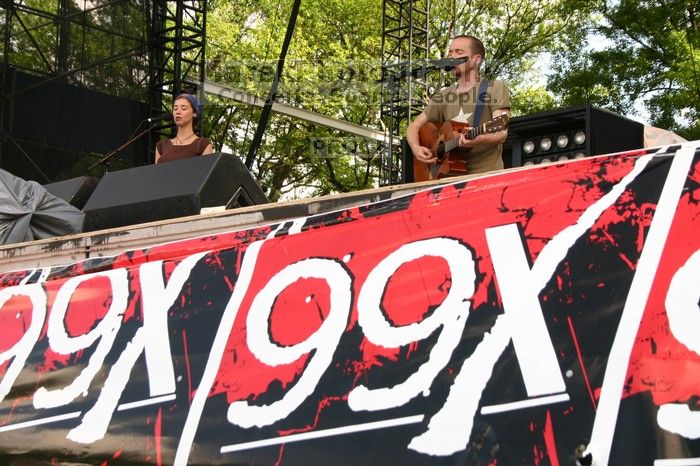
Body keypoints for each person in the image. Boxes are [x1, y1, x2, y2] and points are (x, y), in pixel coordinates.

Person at [406, 35, 511, 177]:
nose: (452, 57)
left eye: (459, 52)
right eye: (450, 52)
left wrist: (479, 139)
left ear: (476, 59)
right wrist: (416, 148)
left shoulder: (494, 88)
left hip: (486, 177)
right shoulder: (442, 96)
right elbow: (413, 126)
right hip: (448, 182)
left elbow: (501, 132)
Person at [155, 93, 214, 163]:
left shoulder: (203, 144)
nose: (178, 112)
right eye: (175, 109)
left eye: (183, 108)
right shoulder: (161, 145)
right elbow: (156, 173)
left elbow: (205, 172)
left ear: (194, 113)